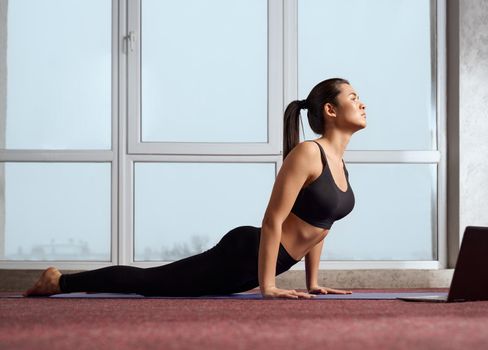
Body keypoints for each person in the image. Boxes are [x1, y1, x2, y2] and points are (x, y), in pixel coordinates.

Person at [23, 77, 367, 299]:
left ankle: (62, 282)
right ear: (329, 109)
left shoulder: (339, 163)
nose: (362, 103)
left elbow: (322, 226)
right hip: (245, 253)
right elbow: (272, 222)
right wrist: (269, 287)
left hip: (261, 267)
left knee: (166, 288)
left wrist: (312, 283)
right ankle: (59, 281)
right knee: (151, 284)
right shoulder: (308, 153)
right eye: (354, 97)